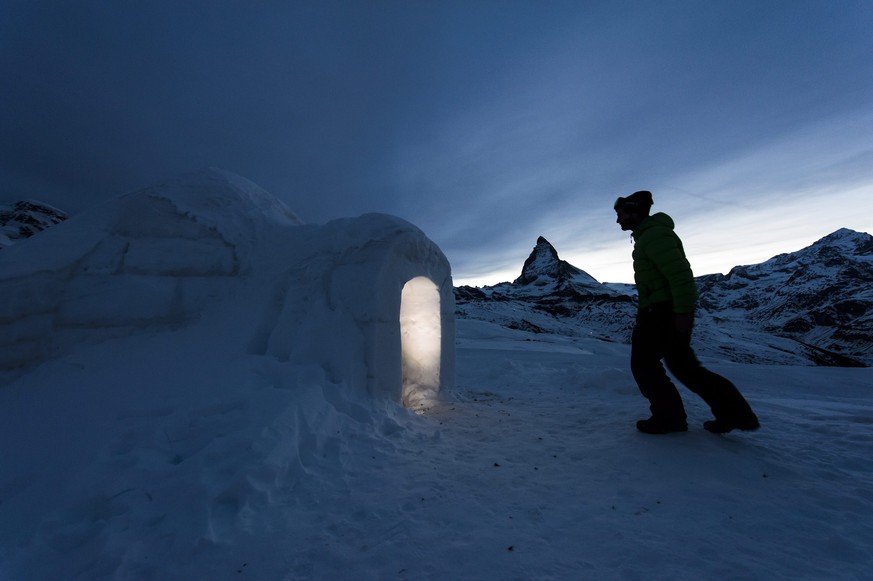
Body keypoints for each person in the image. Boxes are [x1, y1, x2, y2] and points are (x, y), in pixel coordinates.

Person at [614, 190, 760, 434]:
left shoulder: (655, 236)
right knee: (684, 367)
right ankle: (734, 414)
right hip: (663, 311)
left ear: (634, 212)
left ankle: (669, 417)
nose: (618, 220)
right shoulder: (648, 236)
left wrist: (683, 314)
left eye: (621, 214)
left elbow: (680, 277)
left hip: (660, 313)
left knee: (644, 365)